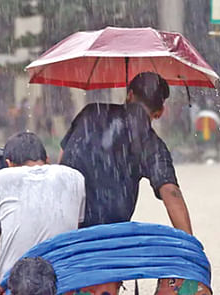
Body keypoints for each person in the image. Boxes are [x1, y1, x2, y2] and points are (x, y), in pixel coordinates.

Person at [59, 72, 193, 233]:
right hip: (111, 232)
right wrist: (190, 245)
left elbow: (62, 160)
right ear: (160, 112)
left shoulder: (90, 113)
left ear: (129, 95)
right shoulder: (151, 144)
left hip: (66, 224)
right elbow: (171, 193)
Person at [0, 131, 85, 295]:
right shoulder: (75, 177)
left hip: (17, 286)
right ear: (47, 159)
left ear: (9, 164)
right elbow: (74, 228)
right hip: (64, 280)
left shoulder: (2, 178)